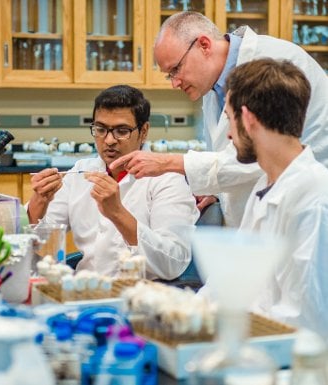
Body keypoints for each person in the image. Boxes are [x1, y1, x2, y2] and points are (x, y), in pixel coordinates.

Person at [110, 11, 328, 228]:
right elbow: (228, 152)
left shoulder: (272, 63)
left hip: (299, 204)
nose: (174, 83)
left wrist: (170, 162)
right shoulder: (213, 83)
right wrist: (216, 192)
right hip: (264, 208)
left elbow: (264, 152)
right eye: (169, 75)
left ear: (204, 45)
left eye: (176, 69)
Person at [27, 85, 199, 280]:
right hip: (84, 292)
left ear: (143, 131)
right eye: (100, 129)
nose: (109, 140)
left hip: (141, 298)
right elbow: (39, 244)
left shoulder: (167, 179)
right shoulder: (79, 173)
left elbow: (172, 263)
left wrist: (117, 212)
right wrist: (38, 204)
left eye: (121, 131)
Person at [222, 58, 328, 337]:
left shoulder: (315, 198)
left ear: (248, 119)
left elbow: (306, 321)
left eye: (228, 119)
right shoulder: (266, 186)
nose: (229, 134)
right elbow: (233, 283)